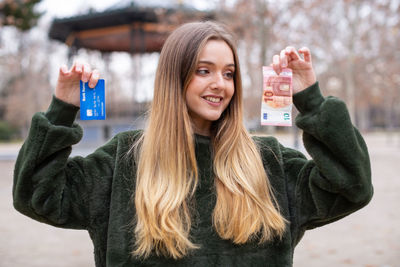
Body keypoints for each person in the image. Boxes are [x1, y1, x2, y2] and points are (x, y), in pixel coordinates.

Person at [13, 21, 373, 266]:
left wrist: (310, 99)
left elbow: (352, 187)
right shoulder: (123, 159)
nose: (220, 83)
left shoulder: (269, 162)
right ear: (175, 77)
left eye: (228, 73)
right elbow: (37, 197)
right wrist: (62, 109)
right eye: (204, 70)